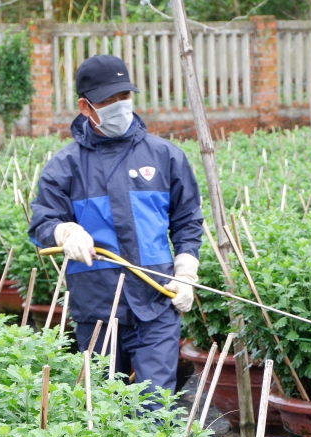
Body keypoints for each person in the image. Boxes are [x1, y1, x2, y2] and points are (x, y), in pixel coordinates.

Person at [29, 54, 203, 394]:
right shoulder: (64, 167)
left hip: (156, 302)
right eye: (108, 100)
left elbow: (187, 223)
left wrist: (185, 275)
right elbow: (42, 223)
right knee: (107, 410)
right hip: (97, 309)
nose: (120, 106)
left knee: (157, 406)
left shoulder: (166, 157)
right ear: (85, 106)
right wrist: (66, 231)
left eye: (124, 97)